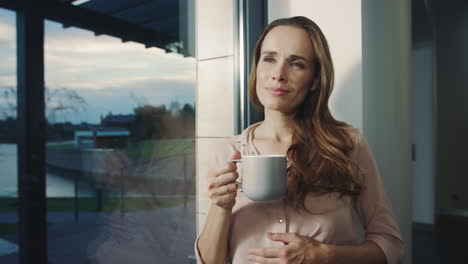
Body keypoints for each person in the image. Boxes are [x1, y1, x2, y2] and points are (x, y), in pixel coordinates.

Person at [195, 16, 404, 264]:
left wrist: (322, 254)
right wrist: (221, 207)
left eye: (297, 64)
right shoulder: (229, 153)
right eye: (269, 59)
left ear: (315, 79)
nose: (278, 74)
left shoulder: (348, 145)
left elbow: (391, 246)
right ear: (257, 68)